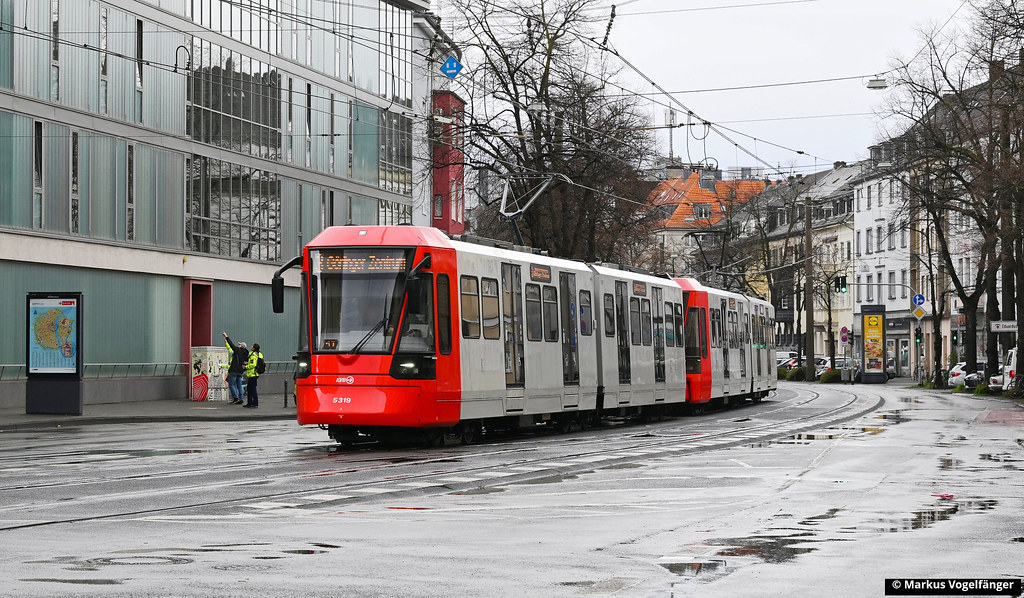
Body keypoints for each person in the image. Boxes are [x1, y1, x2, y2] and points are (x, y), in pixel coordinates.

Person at [222, 332, 248, 405]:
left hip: (234, 370)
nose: (238, 345)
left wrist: (226, 336)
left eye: (239, 344)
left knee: (231, 384)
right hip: (240, 372)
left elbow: (231, 345)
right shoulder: (246, 354)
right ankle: (241, 399)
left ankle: (235, 398)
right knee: (239, 385)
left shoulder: (237, 351)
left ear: (241, 346)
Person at [244, 342, 264, 408]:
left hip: (253, 374)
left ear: (254, 348)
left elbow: (253, 364)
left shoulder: (253, 355)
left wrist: (246, 367)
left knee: (252, 389)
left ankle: (254, 403)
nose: (251, 347)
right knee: (250, 389)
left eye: (252, 346)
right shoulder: (259, 354)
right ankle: (250, 403)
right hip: (255, 374)